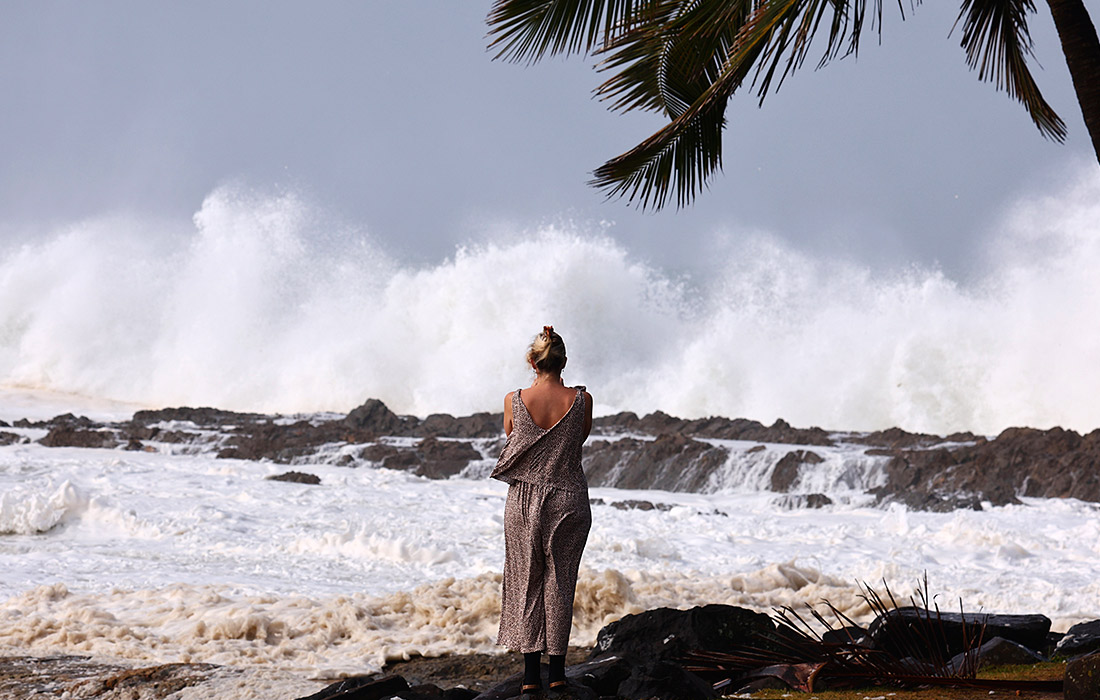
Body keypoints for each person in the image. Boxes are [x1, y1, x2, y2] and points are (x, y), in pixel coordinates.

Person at [491, 326, 593, 696]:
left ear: (532, 361)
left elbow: (512, 436)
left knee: (526, 580)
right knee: (560, 583)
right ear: (564, 361)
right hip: (568, 497)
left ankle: (530, 675)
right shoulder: (583, 400)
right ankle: (558, 674)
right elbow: (578, 438)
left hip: (523, 501)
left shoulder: (514, 398)